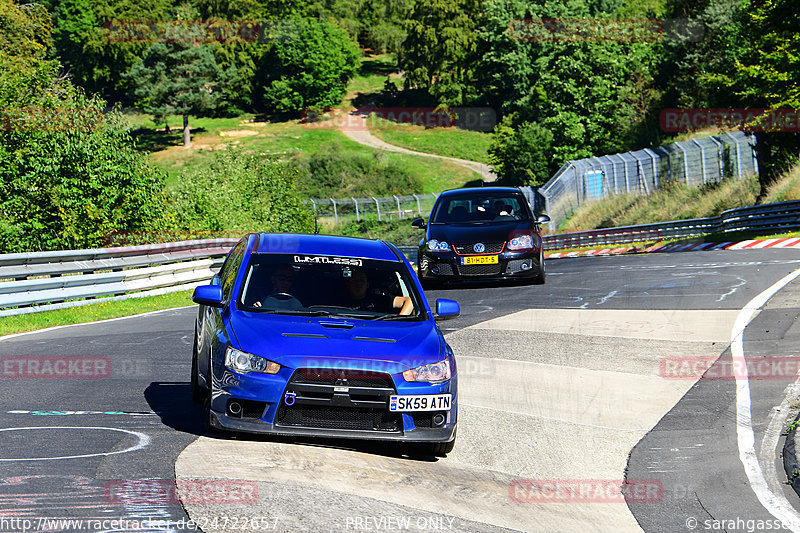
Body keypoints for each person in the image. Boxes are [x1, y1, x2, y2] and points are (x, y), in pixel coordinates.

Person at [342, 268, 413, 315]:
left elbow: (410, 300)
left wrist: (400, 320)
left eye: (362, 280)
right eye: (355, 281)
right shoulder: (338, 301)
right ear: (348, 284)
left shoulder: (378, 300)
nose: (358, 284)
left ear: (367, 285)